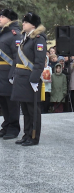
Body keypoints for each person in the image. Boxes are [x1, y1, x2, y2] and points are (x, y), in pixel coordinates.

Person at [11, 12, 47, 146]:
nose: (23, 24)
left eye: (25, 22)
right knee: (25, 110)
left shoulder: (38, 38)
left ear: (33, 24)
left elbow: (39, 62)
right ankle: (26, 135)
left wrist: (34, 79)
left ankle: (33, 137)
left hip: (30, 79)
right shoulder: (25, 37)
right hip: (22, 78)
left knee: (33, 110)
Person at [0, 9, 21, 139]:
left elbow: (17, 57)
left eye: (2, 16)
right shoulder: (3, 34)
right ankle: (6, 125)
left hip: (9, 73)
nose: (0, 18)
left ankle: (14, 127)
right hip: (1, 74)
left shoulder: (15, 34)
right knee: (3, 101)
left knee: (11, 102)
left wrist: (13, 74)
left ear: (10, 19)